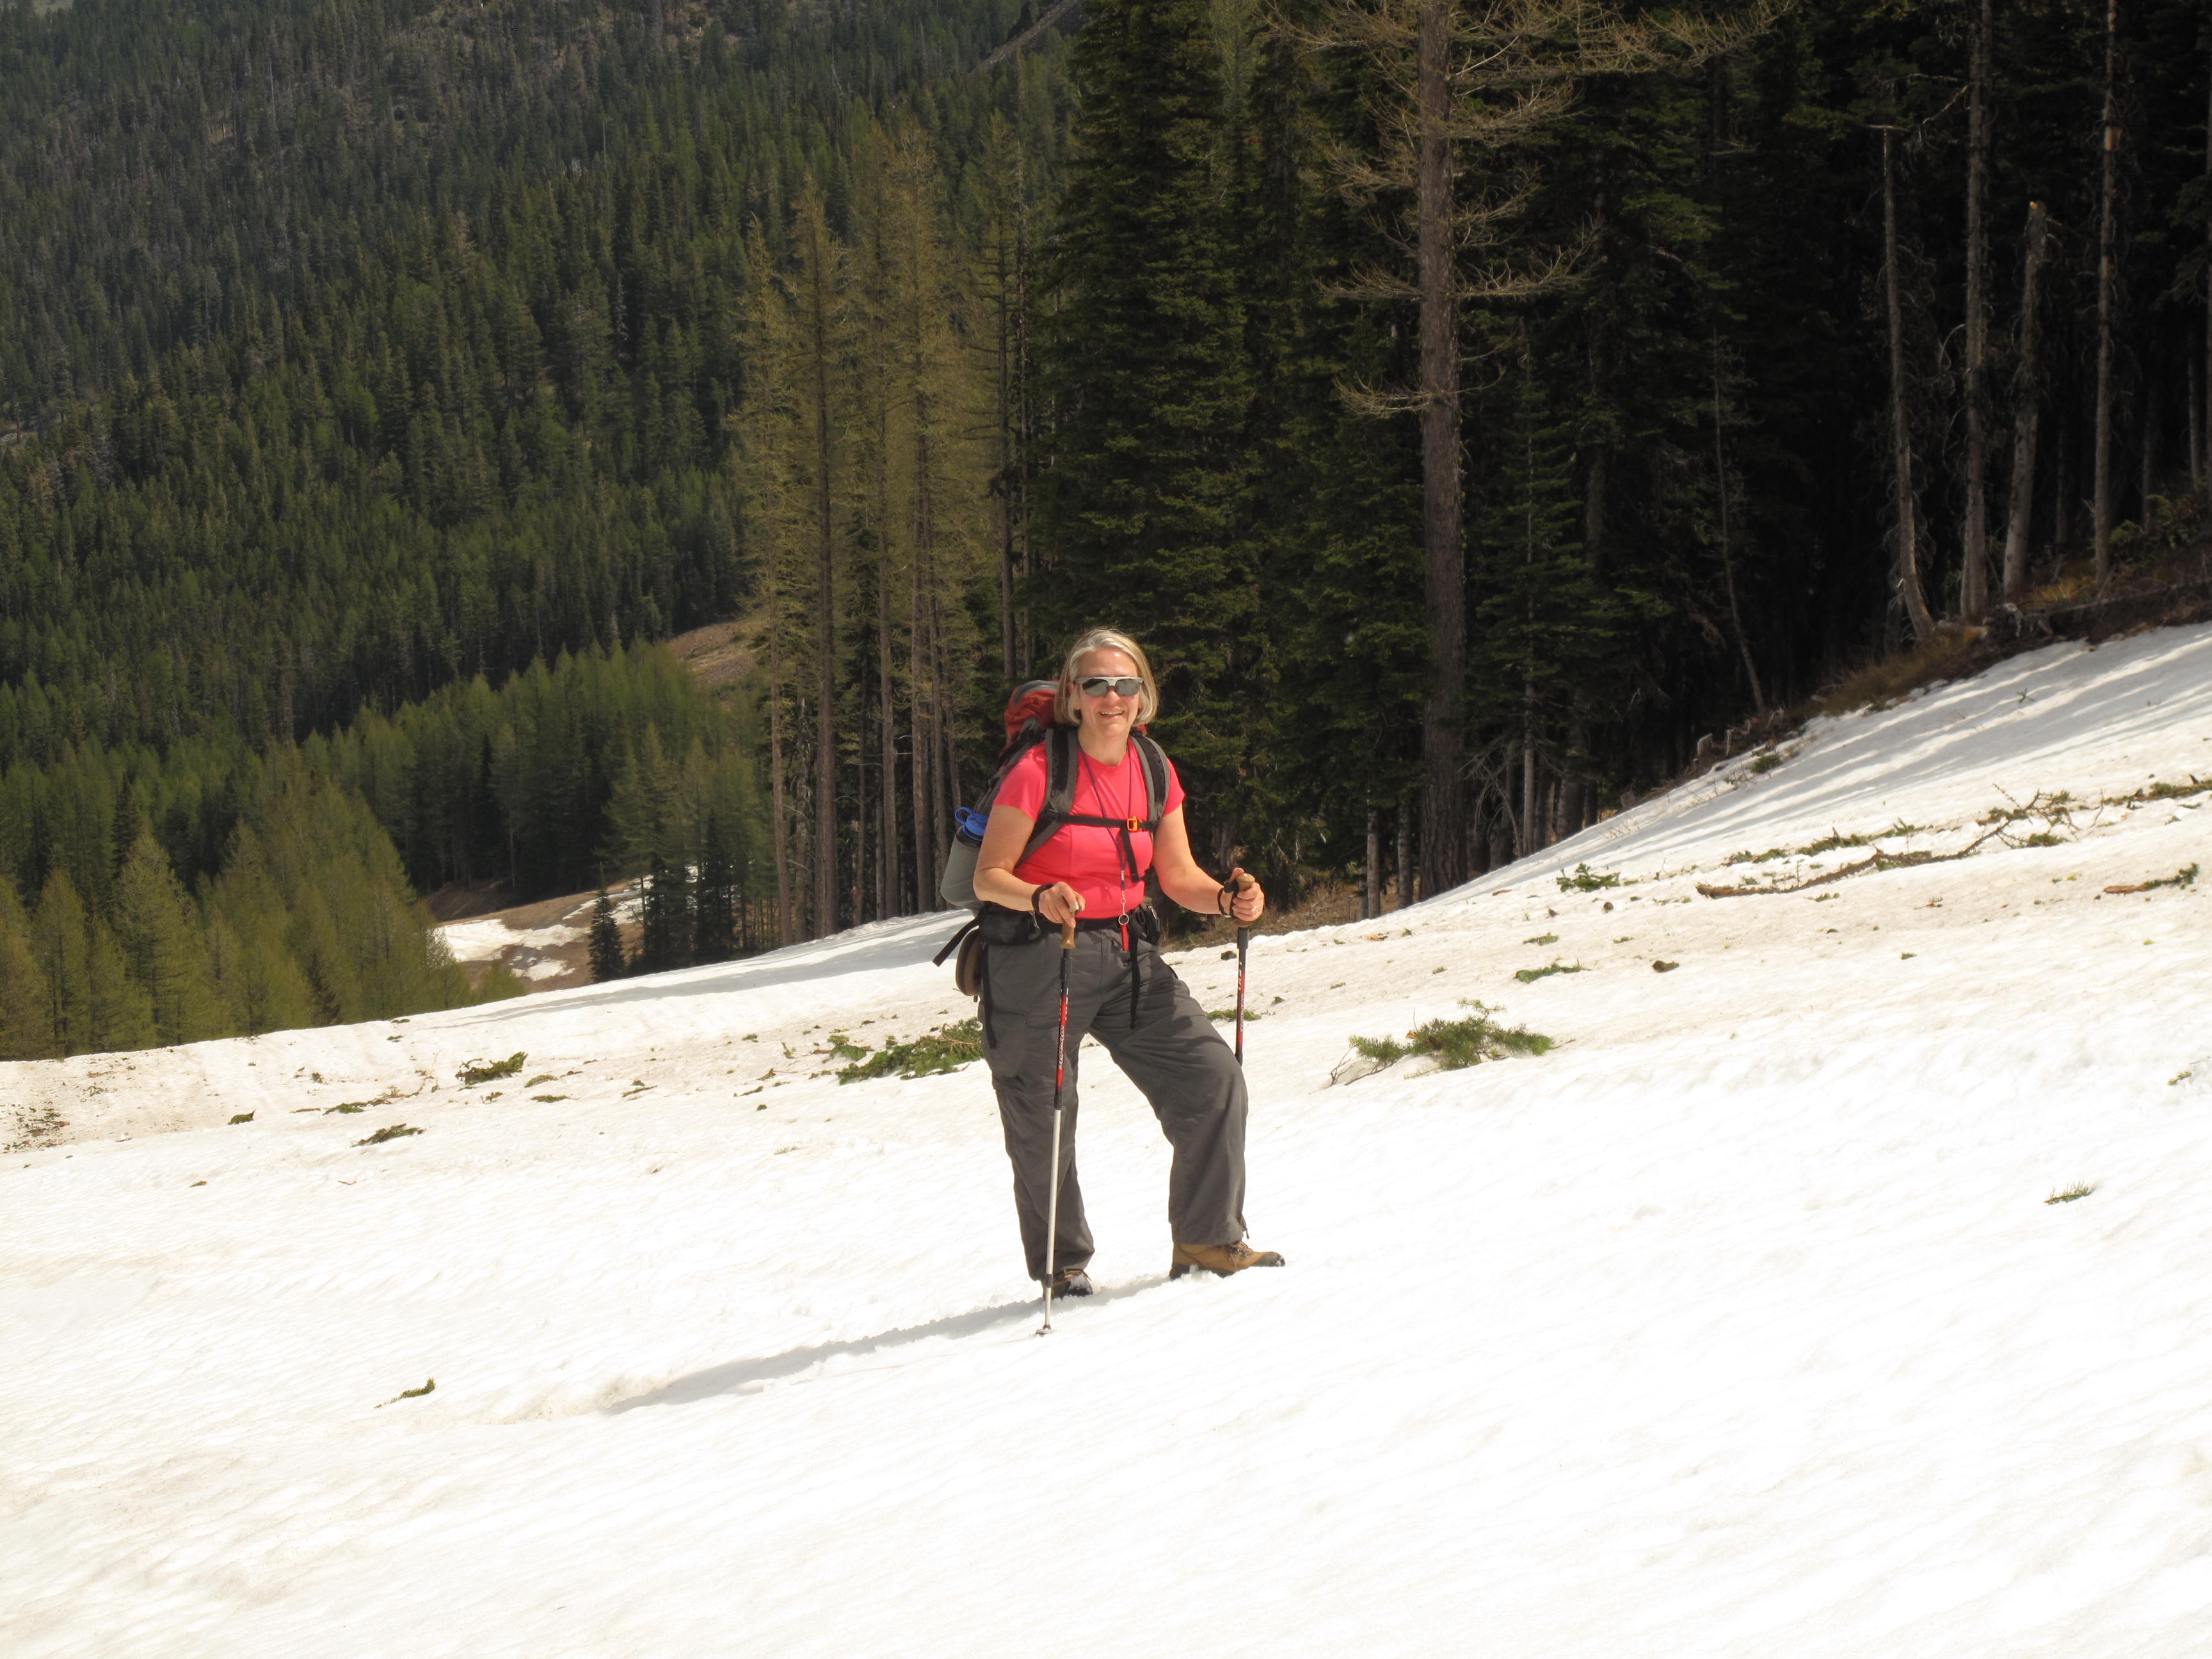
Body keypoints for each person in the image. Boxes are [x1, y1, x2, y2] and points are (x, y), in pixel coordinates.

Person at [970, 627, 1285, 1296]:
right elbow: (989, 876)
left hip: (1124, 950)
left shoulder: (1152, 767)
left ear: (1144, 694)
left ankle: (1207, 1239)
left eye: (1125, 684)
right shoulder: (1038, 771)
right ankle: (1063, 1265)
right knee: (1045, 1110)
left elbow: (1178, 875)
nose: (1111, 697)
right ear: (1073, 695)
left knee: (1211, 1077)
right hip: (1037, 955)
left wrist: (1227, 900)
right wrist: (1039, 896)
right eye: (1096, 685)